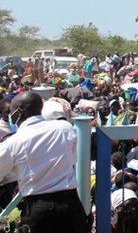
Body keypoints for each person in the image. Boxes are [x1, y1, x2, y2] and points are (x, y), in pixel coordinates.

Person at [0, 91, 88, 232]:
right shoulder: (64, 128)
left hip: (39, 210)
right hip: (71, 206)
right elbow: (72, 159)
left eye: (11, 111)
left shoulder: (13, 142)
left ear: (19, 112)